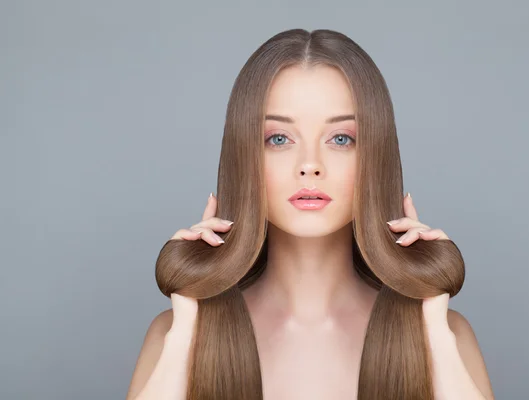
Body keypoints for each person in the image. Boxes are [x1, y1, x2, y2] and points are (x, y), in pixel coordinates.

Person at [126, 29, 494, 400]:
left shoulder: (444, 332)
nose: (310, 166)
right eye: (279, 139)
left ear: (375, 156)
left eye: (340, 139)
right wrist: (188, 328)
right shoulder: (175, 332)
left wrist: (431, 328)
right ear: (245, 156)